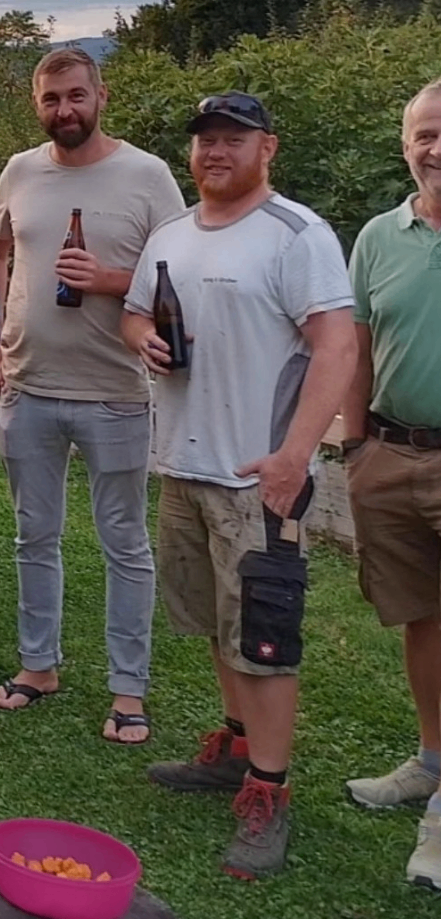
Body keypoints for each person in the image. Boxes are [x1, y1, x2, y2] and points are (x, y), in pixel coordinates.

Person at [121, 91, 356, 880]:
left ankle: (269, 793)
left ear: (268, 148)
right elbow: (133, 316)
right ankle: (236, 749)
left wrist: (294, 456)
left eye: (233, 139)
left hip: (260, 479)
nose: (215, 151)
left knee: (264, 639)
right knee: (219, 627)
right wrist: (146, 335)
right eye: (205, 140)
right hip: (184, 468)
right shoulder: (171, 234)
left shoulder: (296, 234)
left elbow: (336, 347)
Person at [0, 47, 185, 744]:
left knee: (123, 542)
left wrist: (105, 278)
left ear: (100, 94)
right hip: (29, 384)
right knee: (32, 536)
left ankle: (128, 691)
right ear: (36, 104)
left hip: (114, 392)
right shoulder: (20, 171)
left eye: (75, 95)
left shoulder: (147, 176)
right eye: (50, 99)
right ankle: (38, 667)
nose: (63, 110)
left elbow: (178, 278)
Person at [341, 79, 441, 890]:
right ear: (405, 144)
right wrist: (355, 448)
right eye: (425, 135)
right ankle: (430, 762)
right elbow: (359, 347)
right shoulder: (380, 235)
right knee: (420, 620)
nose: (435, 149)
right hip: (391, 455)